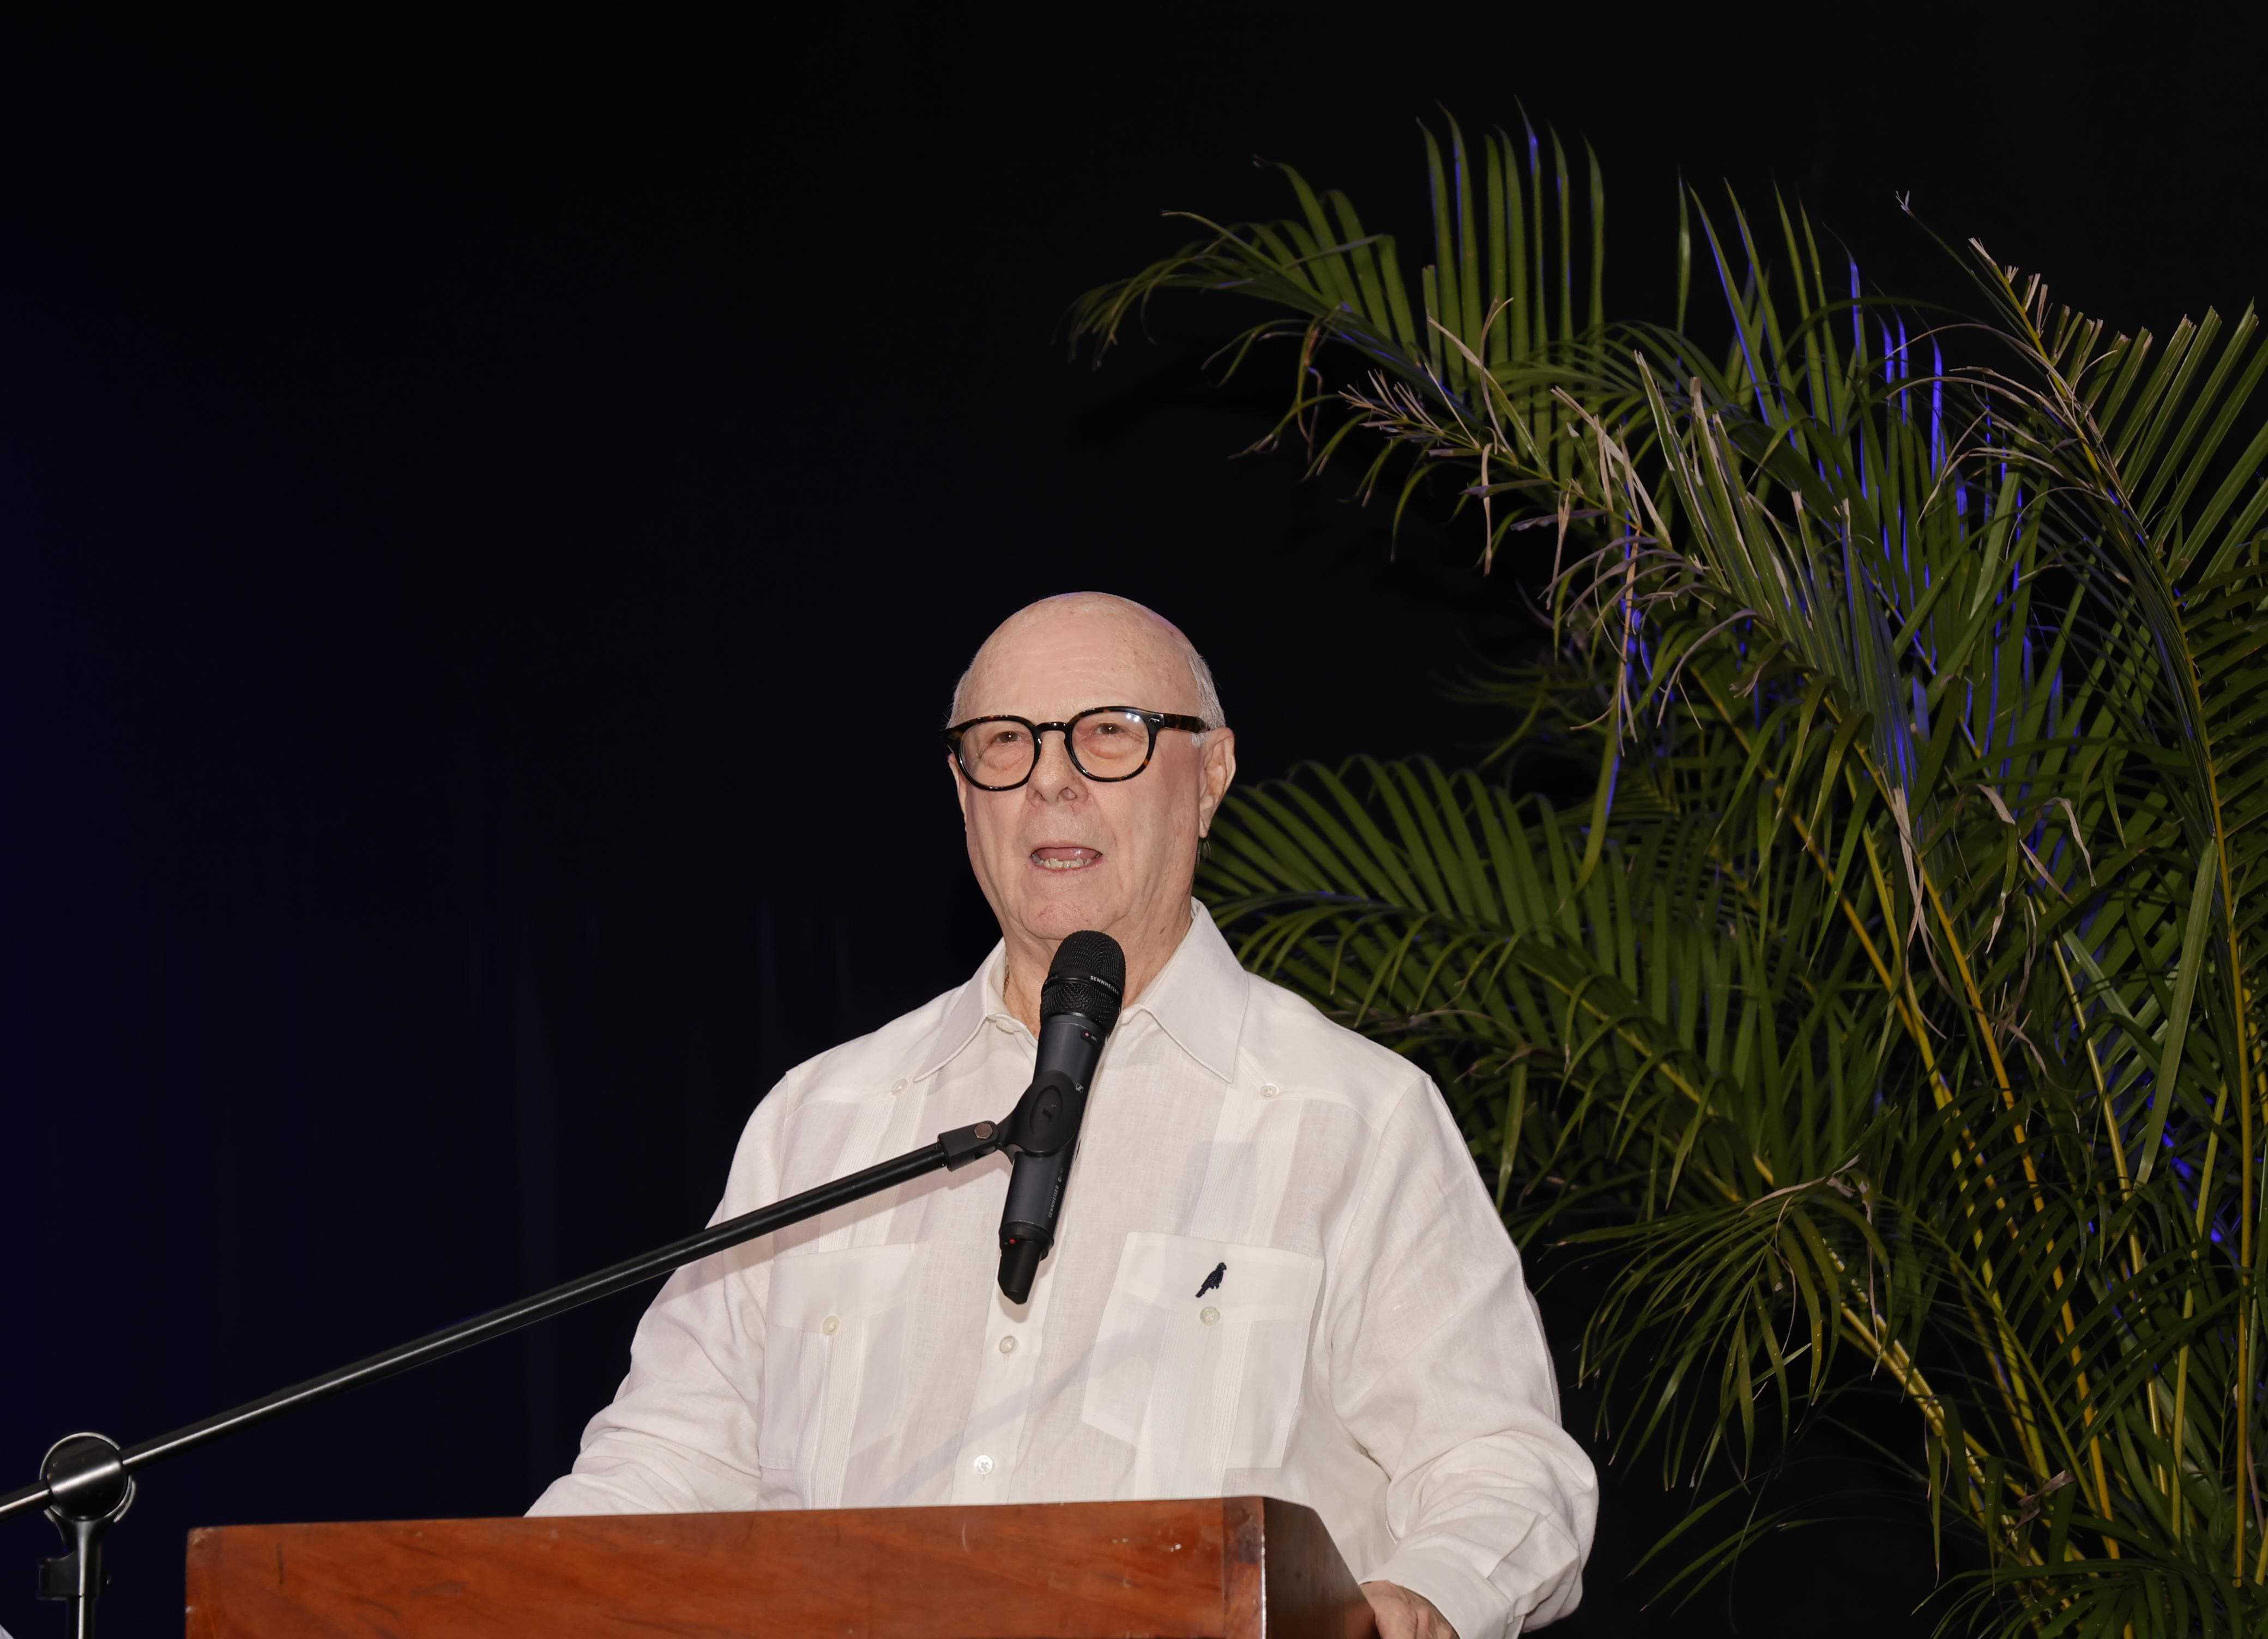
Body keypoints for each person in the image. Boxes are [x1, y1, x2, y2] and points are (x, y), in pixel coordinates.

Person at [530, 593, 1597, 1638]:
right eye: (1004, 744)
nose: (1050, 780)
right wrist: (493, 1594)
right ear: (961, 792)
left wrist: (1427, 1599)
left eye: (1108, 736)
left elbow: (1500, 1464)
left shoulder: (1350, 1116)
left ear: (1210, 775)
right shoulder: (827, 1117)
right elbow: (667, 1458)